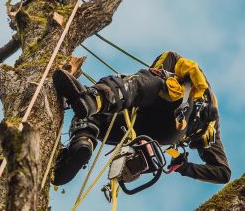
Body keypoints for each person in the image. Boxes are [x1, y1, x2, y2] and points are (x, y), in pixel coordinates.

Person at [51, 51, 231, 186]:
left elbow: (155, 73)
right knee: (94, 118)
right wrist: (184, 167)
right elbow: (223, 173)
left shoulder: (174, 62)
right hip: (160, 133)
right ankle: (82, 145)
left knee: (147, 81)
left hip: (176, 112)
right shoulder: (212, 130)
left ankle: (95, 98)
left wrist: (184, 167)